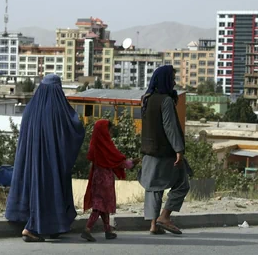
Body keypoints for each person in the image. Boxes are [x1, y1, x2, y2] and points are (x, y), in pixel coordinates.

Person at [5, 74, 85, 243]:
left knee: (35, 189)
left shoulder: (30, 108)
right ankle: (32, 228)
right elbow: (74, 128)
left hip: (29, 162)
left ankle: (53, 227)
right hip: (50, 161)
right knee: (48, 190)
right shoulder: (58, 109)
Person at [138, 65, 190, 235]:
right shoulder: (166, 101)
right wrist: (179, 149)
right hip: (165, 152)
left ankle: (153, 225)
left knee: (154, 187)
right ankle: (165, 217)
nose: (174, 83)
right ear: (165, 80)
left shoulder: (146, 98)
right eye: (172, 79)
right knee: (182, 183)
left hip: (148, 151)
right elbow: (170, 127)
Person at [81, 119, 137, 242]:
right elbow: (118, 161)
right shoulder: (106, 146)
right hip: (105, 180)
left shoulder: (95, 144)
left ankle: (108, 230)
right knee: (99, 205)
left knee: (103, 205)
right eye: (109, 130)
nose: (110, 133)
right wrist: (132, 163)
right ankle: (87, 229)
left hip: (96, 177)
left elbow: (92, 156)